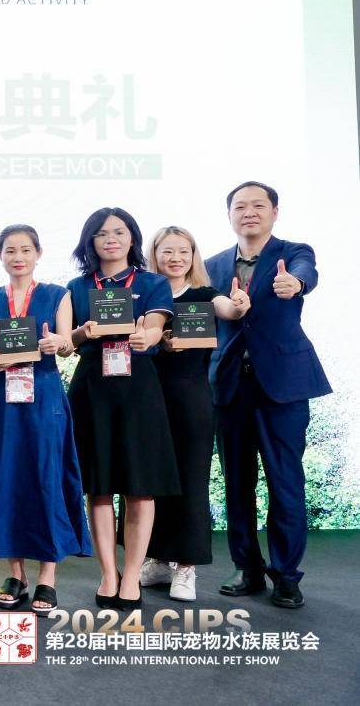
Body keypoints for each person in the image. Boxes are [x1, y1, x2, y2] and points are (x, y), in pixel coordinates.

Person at [205, 181, 331, 609]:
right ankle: (247, 567)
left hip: (283, 387)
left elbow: (306, 273)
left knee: (285, 480)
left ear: (275, 212)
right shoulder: (211, 265)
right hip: (229, 387)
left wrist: (294, 284)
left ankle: (287, 576)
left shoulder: (294, 253)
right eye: (240, 206)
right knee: (236, 483)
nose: (249, 212)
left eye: (258, 205)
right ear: (229, 215)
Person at [0, 225, 90, 614]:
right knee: (7, 480)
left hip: (44, 396)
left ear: (38, 253)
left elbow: (68, 344)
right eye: (10, 250)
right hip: (3, 398)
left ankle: (47, 578)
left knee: (47, 477)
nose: (18, 257)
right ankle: (16, 575)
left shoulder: (58, 294)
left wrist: (59, 342)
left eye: (25, 249)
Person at [66, 208, 180, 611]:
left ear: (132, 238)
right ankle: (108, 574)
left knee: (139, 487)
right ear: (90, 242)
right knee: (98, 487)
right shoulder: (77, 287)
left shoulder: (152, 283)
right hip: (92, 388)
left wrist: (147, 334)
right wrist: (82, 333)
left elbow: (156, 324)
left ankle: (131, 575)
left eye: (119, 231)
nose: (110, 239)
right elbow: (66, 342)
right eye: (101, 233)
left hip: (138, 389)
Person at [138, 226, 249, 602]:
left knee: (191, 480)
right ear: (154, 254)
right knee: (150, 482)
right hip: (148, 398)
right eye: (167, 251)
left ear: (193, 255)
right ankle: (155, 559)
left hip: (192, 399)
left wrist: (238, 305)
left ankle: (186, 567)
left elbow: (228, 309)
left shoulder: (205, 294)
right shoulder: (146, 295)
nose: (176, 258)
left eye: (183, 251)